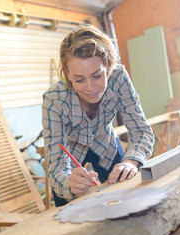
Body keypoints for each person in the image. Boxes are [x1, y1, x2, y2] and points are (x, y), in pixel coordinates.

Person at [42, 24, 154, 207]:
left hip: (107, 145)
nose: (90, 88)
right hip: (72, 156)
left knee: (126, 197)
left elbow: (141, 131)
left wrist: (131, 162)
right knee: (70, 213)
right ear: (67, 73)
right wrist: (67, 184)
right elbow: (56, 168)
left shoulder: (118, 78)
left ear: (108, 65)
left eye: (97, 76)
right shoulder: (54, 100)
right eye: (79, 80)